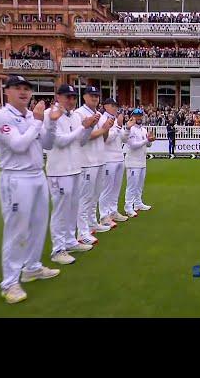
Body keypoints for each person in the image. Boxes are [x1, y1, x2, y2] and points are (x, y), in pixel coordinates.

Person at [0, 75, 62, 304]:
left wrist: (49, 122)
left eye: (26, 89)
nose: (23, 92)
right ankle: (9, 283)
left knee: (39, 224)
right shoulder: (2, 116)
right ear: (7, 91)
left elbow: (48, 144)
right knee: (17, 230)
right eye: (17, 88)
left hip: (37, 174)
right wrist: (39, 121)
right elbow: (19, 145)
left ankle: (32, 267)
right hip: (16, 177)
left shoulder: (32, 116)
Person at [44, 84, 96, 266]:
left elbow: (80, 141)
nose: (71, 100)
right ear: (58, 96)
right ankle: (58, 249)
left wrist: (89, 128)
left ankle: (70, 240)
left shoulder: (74, 116)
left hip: (75, 168)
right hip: (59, 171)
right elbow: (60, 141)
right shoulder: (51, 115)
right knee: (60, 210)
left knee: (72, 208)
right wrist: (83, 127)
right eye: (67, 97)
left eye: (73, 97)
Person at [75, 85, 114, 241]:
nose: (95, 98)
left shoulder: (98, 114)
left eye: (97, 96)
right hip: (87, 161)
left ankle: (92, 223)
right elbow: (84, 137)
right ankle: (82, 232)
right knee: (85, 198)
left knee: (95, 196)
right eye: (91, 95)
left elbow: (103, 138)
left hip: (99, 159)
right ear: (84, 97)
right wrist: (103, 129)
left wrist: (107, 129)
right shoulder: (80, 114)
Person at [98, 98, 133, 227]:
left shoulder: (116, 120)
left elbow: (123, 138)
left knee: (116, 188)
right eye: (112, 105)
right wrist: (118, 126)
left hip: (119, 157)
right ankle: (103, 215)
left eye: (116, 105)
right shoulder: (103, 119)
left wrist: (127, 128)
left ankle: (113, 211)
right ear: (106, 106)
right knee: (107, 188)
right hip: (108, 159)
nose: (115, 108)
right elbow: (106, 139)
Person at [124, 108, 156, 217]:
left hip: (142, 161)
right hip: (133, 162)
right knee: (132, 186)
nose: (139, 117)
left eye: (140, 115)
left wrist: (150, 140)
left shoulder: (143, 129)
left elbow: (148, 145)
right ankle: (128, 207)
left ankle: (138, 203)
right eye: (136, 115)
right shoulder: (130, 129)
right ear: (132, 116)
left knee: (139, 185)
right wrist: (147, 141)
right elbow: (133, 145)